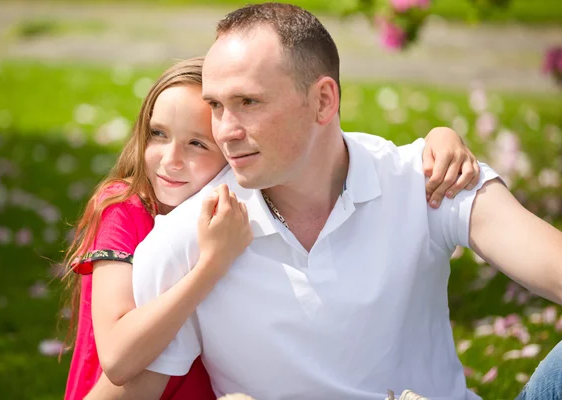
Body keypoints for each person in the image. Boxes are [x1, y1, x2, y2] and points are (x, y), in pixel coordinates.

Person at [130, 3, 562, 400]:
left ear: (323, 101)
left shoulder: (428, 177)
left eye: (248, 102)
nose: (225, 130)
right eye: (216, 105)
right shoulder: (187, 240)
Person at [62, 56, 476, 399]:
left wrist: (440, 137)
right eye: (157, 134)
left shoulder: (239, 209)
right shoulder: (124, 206)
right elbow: (117, 357)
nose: (170, 160)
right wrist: (211, 265)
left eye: (196, 144)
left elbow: (337, 150)